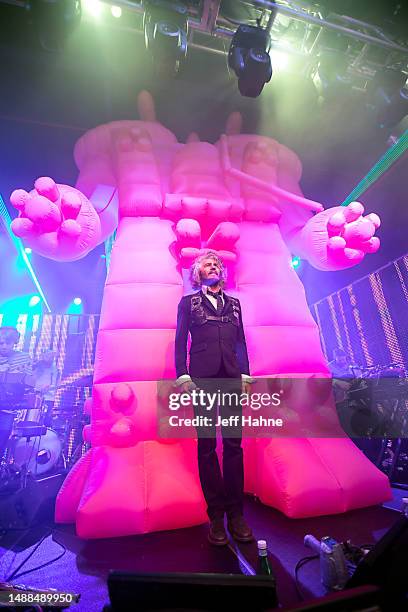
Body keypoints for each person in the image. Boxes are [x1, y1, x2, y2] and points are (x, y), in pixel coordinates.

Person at [174, 251, 253, 546]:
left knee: (234, 446)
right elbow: (181, 340)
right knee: (206, 446)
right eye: (208, 263)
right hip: (202, 380)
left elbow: (242, 341)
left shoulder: (235, 305)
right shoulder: (188, 303)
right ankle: (216, 516)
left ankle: (236, 514)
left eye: (217, 264)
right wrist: (183, 375)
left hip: (232, 378)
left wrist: (245, 374)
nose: (214, 266)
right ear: (197, 273)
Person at [0, 326, 32, 456]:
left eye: (8, 343)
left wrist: (18, 377)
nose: (4, 346)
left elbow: (30, 383)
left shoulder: (23, 358)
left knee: (2, 440)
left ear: (15, 342)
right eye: (1, 343)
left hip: (7, 407)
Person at [33, 349, 60, 426]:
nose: (50, 358)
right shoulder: (37, 366)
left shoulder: (55, 369)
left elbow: (55, 383)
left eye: (52, 356)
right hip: (36, 396)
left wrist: (51, 387)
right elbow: (32, 380)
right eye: (48, 355)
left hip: (49, 398)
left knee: (46, 420)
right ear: (43, 356)